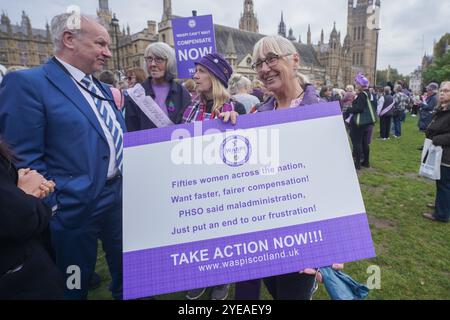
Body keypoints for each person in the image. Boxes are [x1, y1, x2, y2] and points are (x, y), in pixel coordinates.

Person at [0, 13, 126, 300]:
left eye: (108, 44)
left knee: (127, 269)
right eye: (100, 43)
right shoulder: (28, 83)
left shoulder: (102, 89)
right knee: (73, 283)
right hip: (73, 211)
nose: (108, 52)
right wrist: (56, 209)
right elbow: (23, 158)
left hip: (117, 199)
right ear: (69, 40)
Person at [235, 35, 326, 300]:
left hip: (303, 237)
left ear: (295, 60)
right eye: (259, 63)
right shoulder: (257, 115)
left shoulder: (322, 112)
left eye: (272, 59)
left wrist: (330, 246)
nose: (264, 69)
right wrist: (227, 127)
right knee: (274, 291)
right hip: (265, 235)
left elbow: (335, 184)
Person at [182, 53, 245, 300]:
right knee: (198, 233)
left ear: (216, 77)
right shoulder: (190, 108)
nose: (195, 75)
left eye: (201, 71)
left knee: (225, 234)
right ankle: (199, 276)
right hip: (194, 181)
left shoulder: (236, 108)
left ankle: (222, 279)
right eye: (195, 70)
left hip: (225, 186)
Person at [0, 137, 64, 299]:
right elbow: (20, 217)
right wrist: (26, 196)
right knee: (75, 273)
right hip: (17, 277)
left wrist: (12, 183)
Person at [124, 42, 191, 132]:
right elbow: (131, 131)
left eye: (159, 59)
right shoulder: (136, 94)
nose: (153, 64)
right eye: (149, 59)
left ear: (169, 62)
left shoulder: (182, 92)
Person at [423, 81, 450, 223]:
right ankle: (441, 204)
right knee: (441, 182)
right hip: (440, 152)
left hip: (446, 155)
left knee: (444, 184)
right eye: (441, 90)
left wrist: (437, 139)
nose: (442, 93)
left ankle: (442, 214)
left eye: (446, 91)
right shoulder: (443, 108)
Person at [345, 74, 374, 170]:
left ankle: (357, 163)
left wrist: (350, 110)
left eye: (357, 83)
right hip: (366, 123)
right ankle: (366, 162)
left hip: (359, 123)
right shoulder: (368, 93)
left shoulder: (362, 95)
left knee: (357, 142)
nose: (356, 85)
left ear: (362, 85)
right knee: (364, 142)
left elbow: (359, 108)